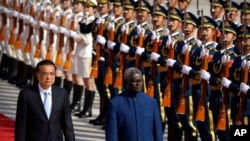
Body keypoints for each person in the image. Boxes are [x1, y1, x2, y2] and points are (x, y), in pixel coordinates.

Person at [15, 60, 75, 141]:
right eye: (44, 74)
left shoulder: (61, 94)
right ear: (37, 75)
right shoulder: (26, 95)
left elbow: (67, 124)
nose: (49, 77)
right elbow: (21, 125)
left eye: (52, 74)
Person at [105, 67, 163, 141]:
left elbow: (158, 133)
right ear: (126, 83)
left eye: (140, 81)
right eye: (134, 81)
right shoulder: (115, 104)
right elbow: (111, 134)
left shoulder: (151, 102)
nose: (138, 84)